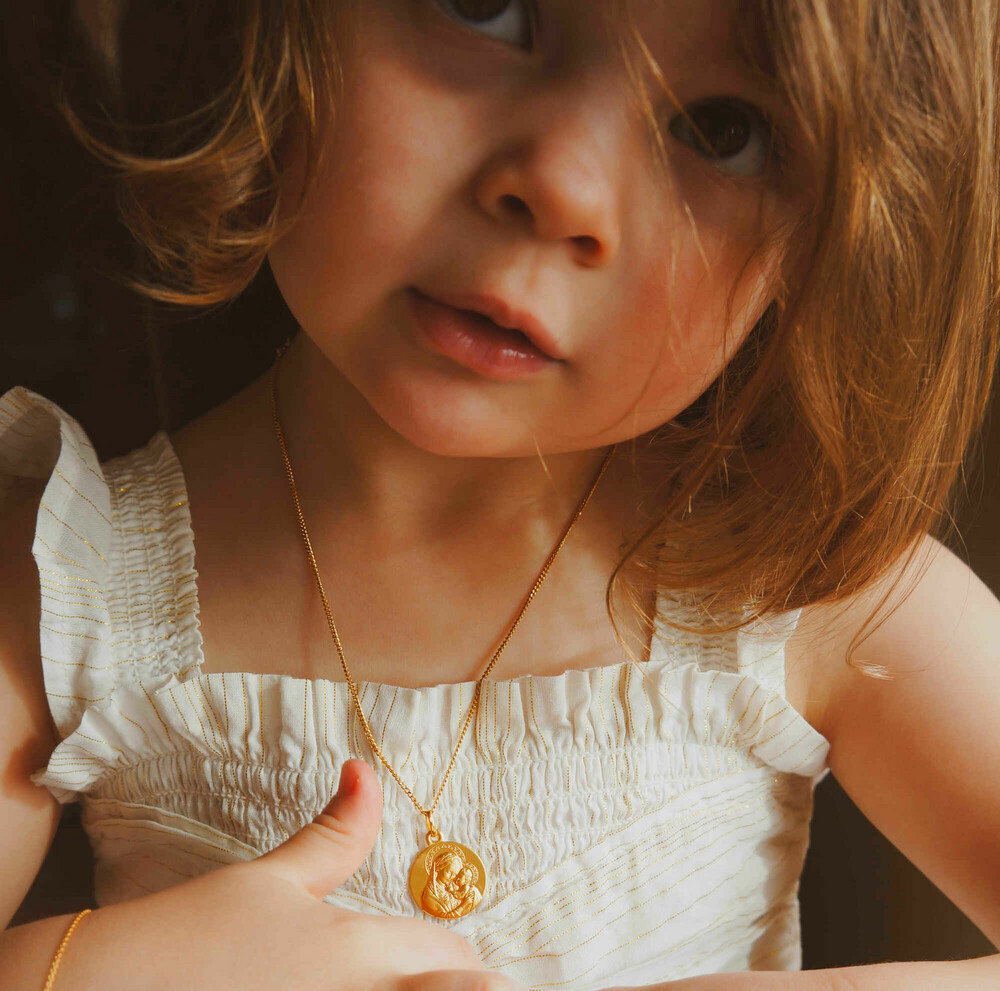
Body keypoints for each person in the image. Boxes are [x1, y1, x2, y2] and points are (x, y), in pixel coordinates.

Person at [1, 0, 999, 989]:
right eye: (490, 11)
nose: (560, 186)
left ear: (823, 240)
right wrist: (73, 971)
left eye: (721, 132)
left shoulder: (813, 586)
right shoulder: (62, 587)